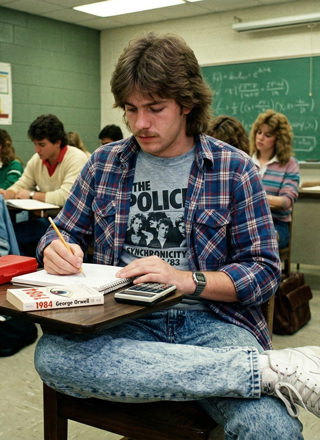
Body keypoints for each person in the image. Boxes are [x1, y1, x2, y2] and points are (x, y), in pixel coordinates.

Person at [34, 33, 319, 438]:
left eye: (155, 108)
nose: (140, 124)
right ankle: (259, 372)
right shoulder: (103, 164)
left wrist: (187, 280)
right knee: (53, 356)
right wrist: (53, 250)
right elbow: (58, 232)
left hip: (212, 323)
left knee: (272, 429)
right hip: (125, 321)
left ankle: (226, 371)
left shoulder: (233, 168)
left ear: (187, 104)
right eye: (131, 109)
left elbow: (264, 273)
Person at [0, 114, 88, 255]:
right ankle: (22, 269)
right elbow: (22, 184)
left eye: (41, 145)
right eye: (34, 144)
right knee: (10, 235)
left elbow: (66, 197)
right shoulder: (38, 160)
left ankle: (22, 269)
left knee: (14, 237)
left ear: (57, 143)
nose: (36, 149)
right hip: (51, 221)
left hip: (74, 225)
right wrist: (7, 193)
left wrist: (31, 195)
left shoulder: (76, 158)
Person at [249, 110, 300, 249]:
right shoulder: (245, 160)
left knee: (264, 240)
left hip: (276, 224)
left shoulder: (289, 164)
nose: (260, 138)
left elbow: (286, 201)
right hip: (246, 222)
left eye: (268, 135)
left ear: (279, 139)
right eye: (259, 132)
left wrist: (259, 197)